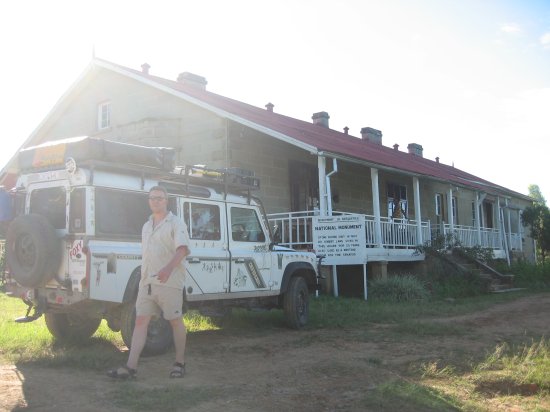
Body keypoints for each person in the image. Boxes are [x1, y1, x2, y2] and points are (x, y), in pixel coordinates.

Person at [108, 186, 191, 379]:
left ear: (166, 201)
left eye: (160, 198)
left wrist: (168, 269)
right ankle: (131, 367)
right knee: (140, 321)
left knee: (175, 321)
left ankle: (180, 363)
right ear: (148, 201)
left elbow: (183, 250)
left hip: (169, 282)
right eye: (152, 198)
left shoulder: (175, 223)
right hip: (147, 282)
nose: (156, 201)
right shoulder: (146, 226)